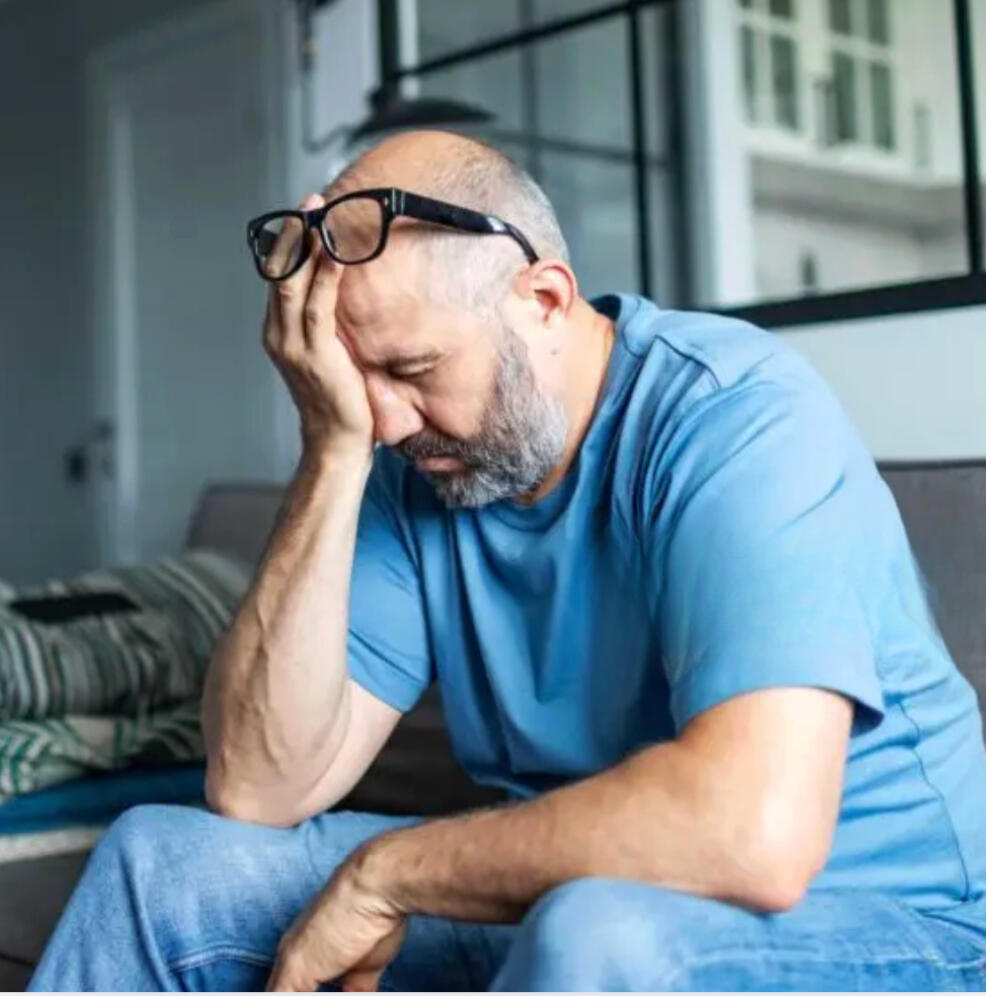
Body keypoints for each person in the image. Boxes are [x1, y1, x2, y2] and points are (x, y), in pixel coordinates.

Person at [30, 130, 986, 992]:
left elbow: (753, 834)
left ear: (543, 300)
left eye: (410, 370)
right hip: (572, 894)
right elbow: (256, 788)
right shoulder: (407, 461)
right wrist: (331, 447)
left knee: (598, 934)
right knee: (162, 866)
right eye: (350, 382)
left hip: (885, 925)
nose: (387, 420)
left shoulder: (735, 419)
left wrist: (390, 875)